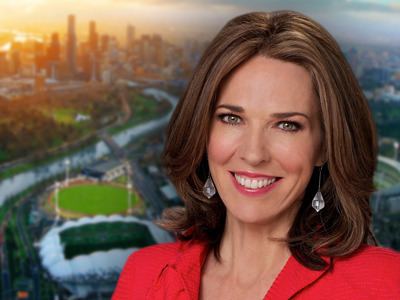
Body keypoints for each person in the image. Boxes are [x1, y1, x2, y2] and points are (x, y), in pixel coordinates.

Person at [113, 10, 400, 300]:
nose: (253, 153)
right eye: (231, 118)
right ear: (203, 130)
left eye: (287, 125)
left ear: (324, 147)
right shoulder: (144, 274)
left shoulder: (384, 283)